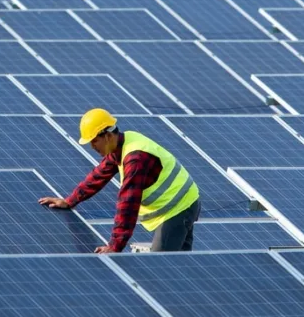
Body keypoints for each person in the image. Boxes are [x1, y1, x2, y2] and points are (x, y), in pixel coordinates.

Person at [39, 108, 200, 253]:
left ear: (108, 135)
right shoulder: (122, 144)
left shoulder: (135, 159)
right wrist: (69, 201)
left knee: (162, 264)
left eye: (94, 141)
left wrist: (115, 246)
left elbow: (128, 204)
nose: (92, 147)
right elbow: (99, 175)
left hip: (178, 209)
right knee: (180, 265)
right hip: (181, 202)